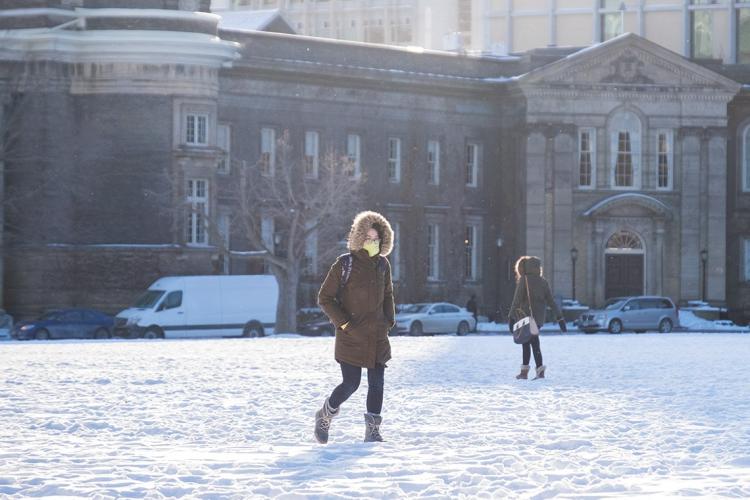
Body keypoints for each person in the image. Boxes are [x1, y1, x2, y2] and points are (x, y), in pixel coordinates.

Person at [314, 211, 395, 444]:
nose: (373, 242)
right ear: (359, 238)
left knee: (377, 384)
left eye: (376, 239)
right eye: (368, 238)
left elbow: (388, 294)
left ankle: (373, 431)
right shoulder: (344, 264)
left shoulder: (382, 265)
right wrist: (345, 323)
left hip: (377, 335)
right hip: (351, 335)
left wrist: (388, 320)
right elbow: (325, 298)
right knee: (351, 383)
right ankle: (326, 414)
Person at [508, 256, 566, 380]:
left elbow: (516, 300)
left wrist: (511, 317)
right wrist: (559, 318)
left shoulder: (524, 280)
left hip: (525, 317)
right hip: (538, 319)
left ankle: (529, 372)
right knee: (534, 343)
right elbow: (551, 301)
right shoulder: (543, 282)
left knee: (527, 343)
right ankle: (534, 371)